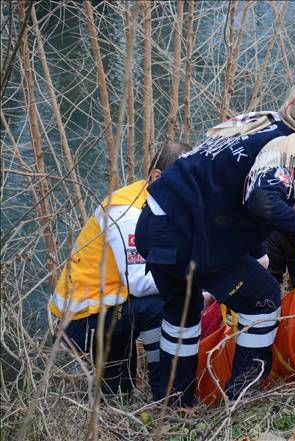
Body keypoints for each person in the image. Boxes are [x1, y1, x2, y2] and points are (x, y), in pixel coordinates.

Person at [135, 80, 295, 405]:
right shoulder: (292, 147)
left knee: (181, 313)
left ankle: (175, 405)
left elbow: (227, 189)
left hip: (153, 223)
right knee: (265, 299)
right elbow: (261, 199)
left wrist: (256, 252)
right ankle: (242, 397)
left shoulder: (258, 123)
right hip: (187, 236)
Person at [49, 141, 192, 397]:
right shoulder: (127, 212)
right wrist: (195, 285)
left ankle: (130, 399)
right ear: (156, 177)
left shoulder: (157, 203)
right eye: (183, 183)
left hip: (109, 307)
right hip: (83, 319)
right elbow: (139, 282)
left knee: (118, 391)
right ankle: (165, 396)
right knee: (161, 304)